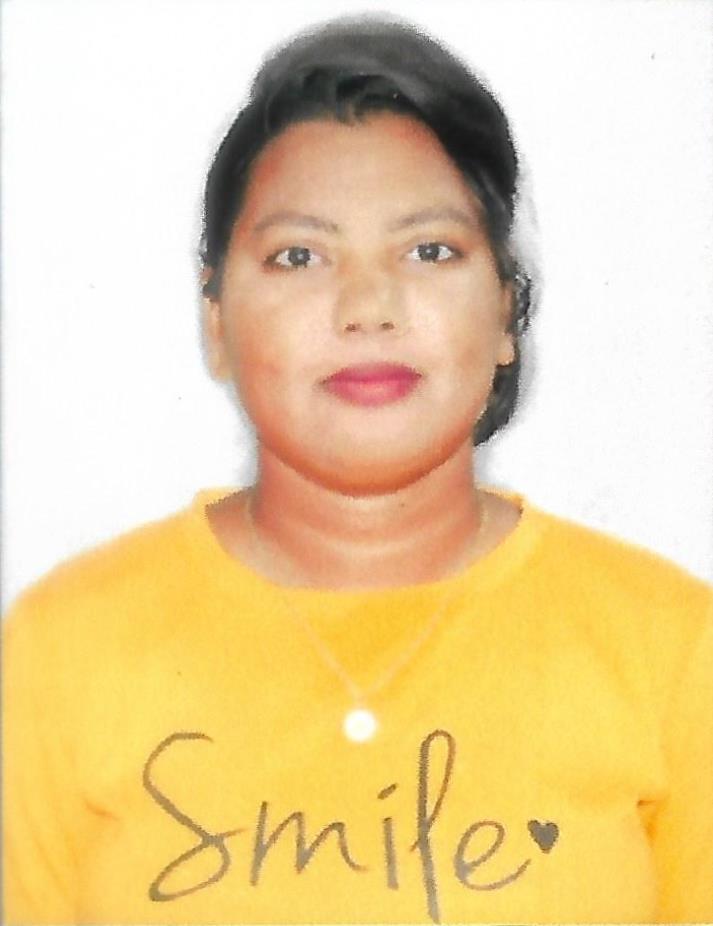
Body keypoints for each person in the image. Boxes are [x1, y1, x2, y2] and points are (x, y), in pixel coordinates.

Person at [3, 13, 711, 926]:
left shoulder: (675, 651)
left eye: (429, 251)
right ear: (216, 321)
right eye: (299, 256)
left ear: (505, 311)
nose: (368, 306)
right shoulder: (60, 650)